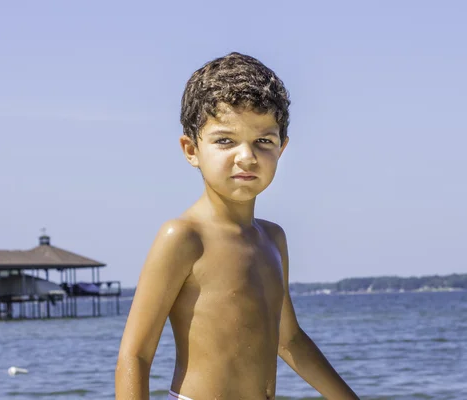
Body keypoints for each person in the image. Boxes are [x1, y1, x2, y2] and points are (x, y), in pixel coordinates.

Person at [115, 52, 358, 400]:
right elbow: (135, 356)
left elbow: (288, 340)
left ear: (282, 148)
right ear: (191, 149)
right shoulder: (183, 237)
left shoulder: (274, 239)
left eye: (263, 141)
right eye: (225, 141)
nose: (246, 156)